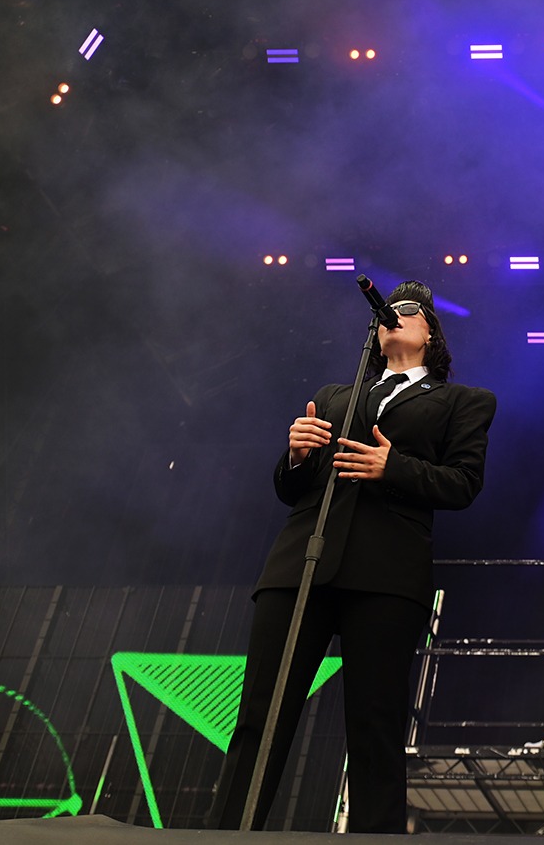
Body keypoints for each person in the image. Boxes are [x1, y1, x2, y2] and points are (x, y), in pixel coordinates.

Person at [210, 280, 496, 833]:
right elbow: (292, 489)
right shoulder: (337, 395)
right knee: (261, 717)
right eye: (391, 311)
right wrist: (294, 456)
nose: (396, 315)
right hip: (301, 565)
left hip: (387, 573)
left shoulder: (464, 401)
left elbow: (464, 483)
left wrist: (397, 469)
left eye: (410, 311)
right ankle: (227, 834)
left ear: (431, 334)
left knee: (374, 725)